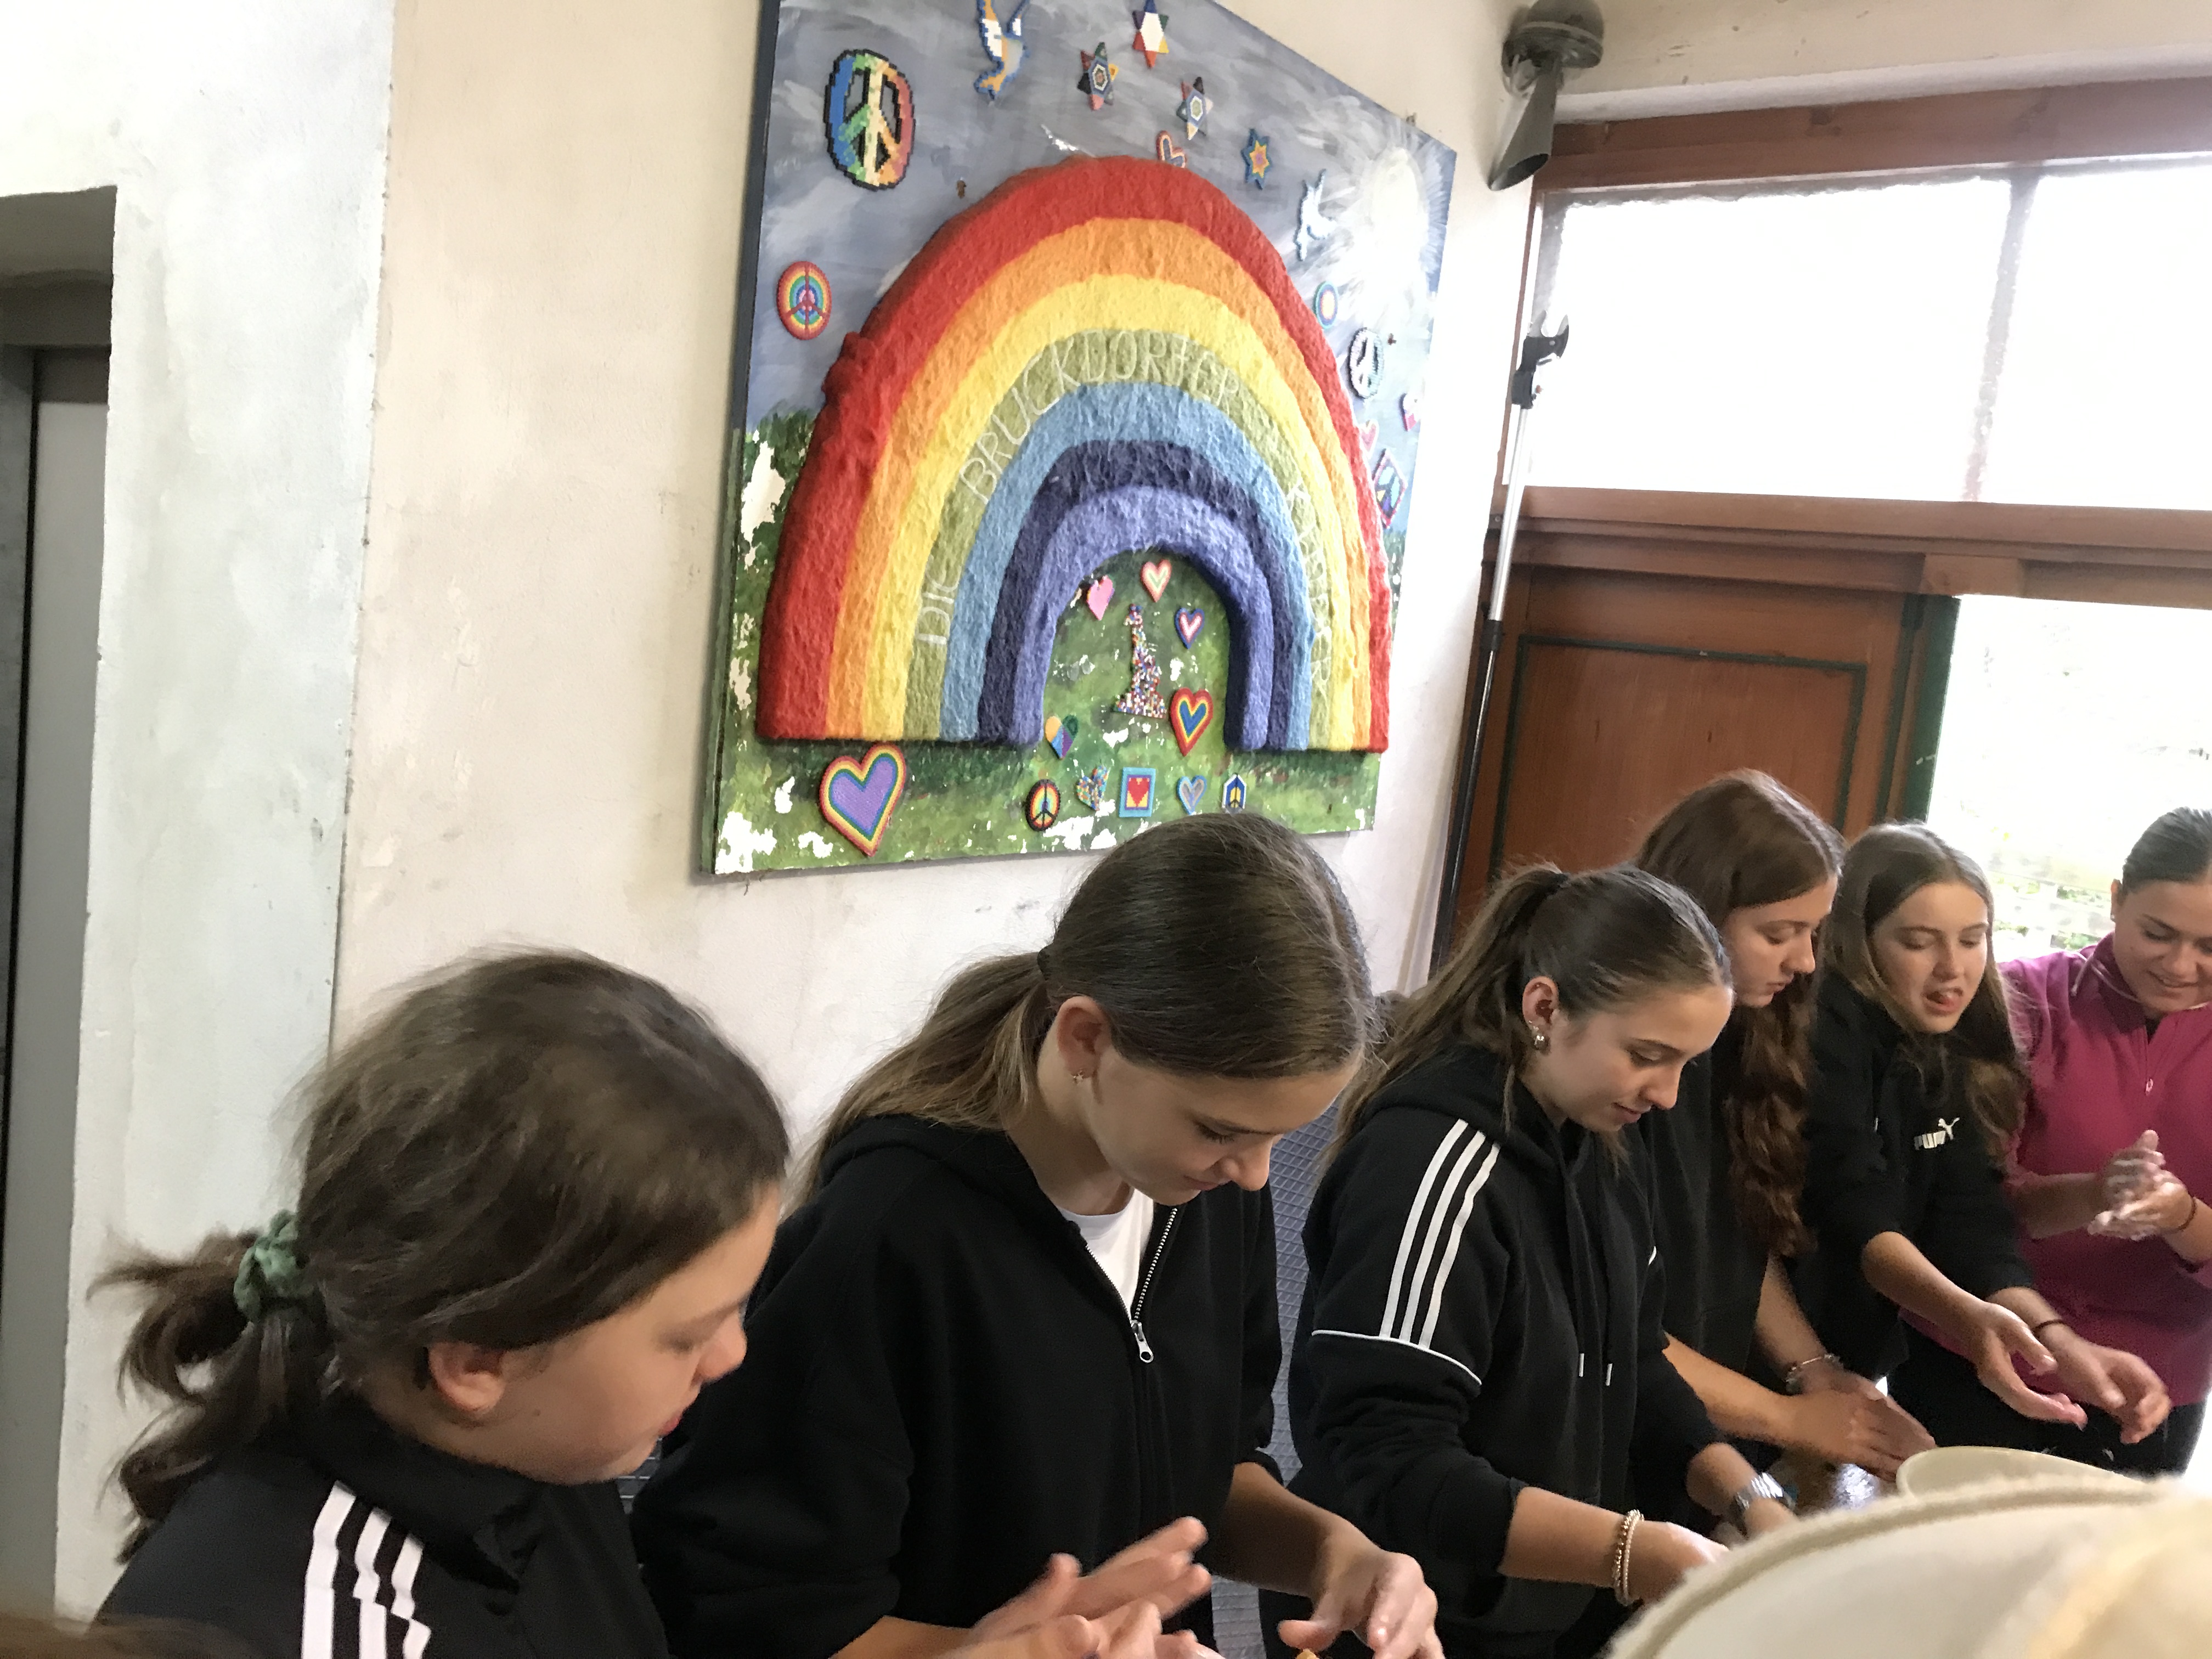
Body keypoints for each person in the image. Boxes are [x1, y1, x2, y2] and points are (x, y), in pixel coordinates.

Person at [98, 952, 1176, 1659]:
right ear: (477, 1356)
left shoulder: (541, 1450)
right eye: (688, 1335)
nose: (731, 1356)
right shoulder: (333, 1623)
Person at [633, 815, 1442, 1659]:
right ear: (1086, 1037)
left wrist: (1336, 1555)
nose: (1256, 1175)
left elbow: (1211, 1479)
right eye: (1220, 1131)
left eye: (1281, 1137)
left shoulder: (1202, 1189)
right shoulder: (887, 1241)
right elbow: (756, 1619)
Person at [1284, 865, 1795, 1659]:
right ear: (1545, 1008)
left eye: (1686, 1065)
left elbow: (1635, 1359)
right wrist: (1631, 1552)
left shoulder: (1597, 1142)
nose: (1666, 1094)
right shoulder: (1431, 1165)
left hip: (1535, 1606)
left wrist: (1750, 1498)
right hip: (1406, 1618)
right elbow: (1391, 1462)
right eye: (1648, 1055)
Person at [1794, 823, 2172, 1452]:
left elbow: (1970, 1216)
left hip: (1849, 1353)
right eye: (1919, 942)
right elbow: (1851, 1209)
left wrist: (2056, 1339)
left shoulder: (1953, 1040)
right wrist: (1966, 1316)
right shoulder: (1827, 1033)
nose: (1954, 968)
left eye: (1973, 940)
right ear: (1857, 942)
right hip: (1768, 1345)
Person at [1633, 774, 1933, 1483]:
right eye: (1779, 934)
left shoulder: (1744, 1035)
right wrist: (1788, 1418)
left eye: (1813, 933)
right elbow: (1617, 1330)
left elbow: (1736, 1235)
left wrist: (1813, 1370)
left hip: (1693, 1432)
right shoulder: (1626, 1081)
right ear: (1698, 912)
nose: (1805, 962)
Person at [1966, 806, 2212, 1474]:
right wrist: (2098, 1192)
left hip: (2157, 1383)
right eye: (2158, 934)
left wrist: (2182, 1217)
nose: (2180, 965)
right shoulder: (2024, 998)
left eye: (2210, 947)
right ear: (2116, 900)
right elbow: (1967, 1205)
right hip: (1989, 1346)